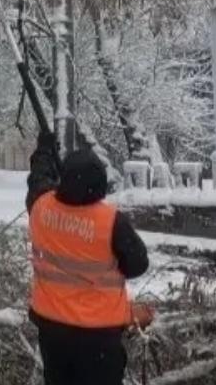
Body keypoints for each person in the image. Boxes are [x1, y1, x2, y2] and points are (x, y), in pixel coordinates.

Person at [26, 131, 150, 385]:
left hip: (53, 333)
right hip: (98, 339)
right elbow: (138, 264)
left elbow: (38, 179)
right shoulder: (112, 222)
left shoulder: (41, 206)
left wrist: (44, 151)